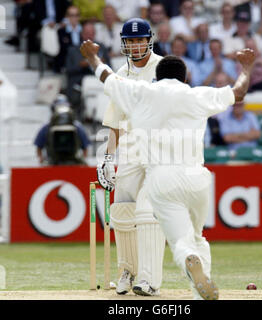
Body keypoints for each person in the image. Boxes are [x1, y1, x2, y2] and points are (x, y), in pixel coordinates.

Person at [80, 38, 255, 300]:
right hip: (197, 177)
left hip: (162, 178)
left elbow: (107, 78)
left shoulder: (143, 93)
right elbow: (238, 93)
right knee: (197, 236)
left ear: (157, 77)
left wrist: (93, 57)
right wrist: (246, 68)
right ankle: (199, 290)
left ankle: (187, 258)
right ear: (184, 79)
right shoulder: (197, 94)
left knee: (180, 241)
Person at [96, 18, 165, 297]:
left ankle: (149, 280)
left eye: (140, 40)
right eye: (131, 41)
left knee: (148, 213)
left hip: (161, 149)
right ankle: (128, 270)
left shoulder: (164, 68)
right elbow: (115, 122)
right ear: (124, 43)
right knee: (122, 210)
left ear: (149, 40)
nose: (136, 46)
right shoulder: (121, 74)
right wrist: (108, 158)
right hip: (132, 149)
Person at [65, 21, 110, 113]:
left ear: (94, 34)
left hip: (99, 80)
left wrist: (102, 64)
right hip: (81, 80)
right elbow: (68, 70)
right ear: (82, 34)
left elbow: (110, 68)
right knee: (87, 83)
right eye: (86, 33)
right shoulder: (73, 49)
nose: (89, 35)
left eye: (91, 33)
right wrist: (81, 65)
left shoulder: (102, 48)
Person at [33, 94, 91, 165]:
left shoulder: (77, 127)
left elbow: (85, 147)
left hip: (72, 163)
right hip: (52, 163)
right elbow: (39, 147)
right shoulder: (47, 127)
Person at [54, 5, 82, 73]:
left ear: (79, 17)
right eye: (71, 15)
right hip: (67, 63)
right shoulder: (61, 31)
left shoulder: (83, 31)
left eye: (76, 15)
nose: (74, 18)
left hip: (82, 63)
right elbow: (62, 49)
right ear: (67, 16)